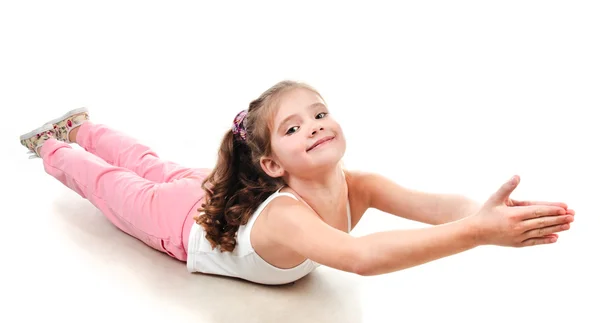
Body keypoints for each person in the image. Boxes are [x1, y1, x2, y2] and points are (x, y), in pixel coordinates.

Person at [19, 80, 575, 285]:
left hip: (215, 192)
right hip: (182, 222)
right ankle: (53, 142)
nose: (314, 126)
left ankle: (84, 125)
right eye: (293, 127)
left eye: (318, 113)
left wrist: (486, 212)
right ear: (271, 165)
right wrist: (475, 234)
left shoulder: (361, 184)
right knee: (113, 182)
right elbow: (361, 259)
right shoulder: (285, 215)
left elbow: (436, 206)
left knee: (152, 161)